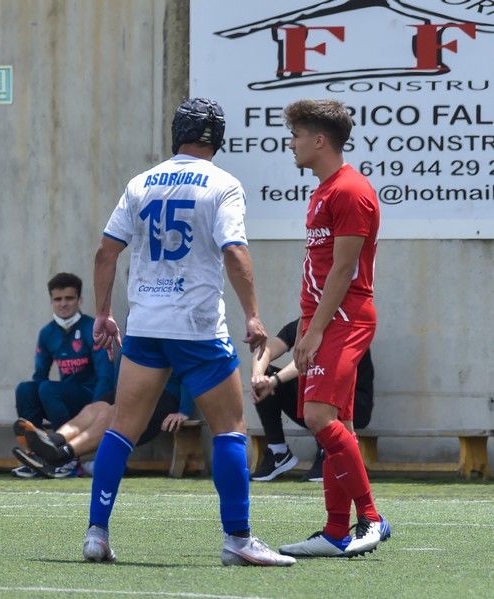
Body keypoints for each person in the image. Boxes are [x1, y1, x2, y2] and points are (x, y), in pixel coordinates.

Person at [80, 97, 295, 567]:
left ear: (176, 133)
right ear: (217, 138)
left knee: (122, 428)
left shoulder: (141, 183)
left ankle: (96, 533)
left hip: (146, 325)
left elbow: (104, 253)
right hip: (197, 326)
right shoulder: (223, 184)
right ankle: (237, 539)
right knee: (230, 430)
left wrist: (102, 313)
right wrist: (253, 315)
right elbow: (235, 251)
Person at [277, 99, 390, 559]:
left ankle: (373, 519)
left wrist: (316, 330)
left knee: (319, 418)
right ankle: (336, 531)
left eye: (298, 135)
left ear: (320, 140)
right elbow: (319, 270)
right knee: (336, 422)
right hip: (326, 318)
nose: (292, 143)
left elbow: (343, 272)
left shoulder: (350, 191)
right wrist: (307, 325)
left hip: (344, 317)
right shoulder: (323, 191)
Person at [11, 273, 114, 477]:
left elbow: (106, 377)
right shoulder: (47, 333)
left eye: (69, 298)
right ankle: (37, 457)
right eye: (58, 299)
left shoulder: (92, 328)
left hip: (90, 399)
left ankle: (66, 459)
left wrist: (95, 411)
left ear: (79, 300)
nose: (63, 304)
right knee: (26, 389)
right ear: (51, 301)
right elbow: (39, 375)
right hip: (61, 398)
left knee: (48, 389)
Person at [250, 317, 374, 482]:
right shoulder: (302, 323)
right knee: (264, 378)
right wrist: (258, 377)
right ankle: (278, 452)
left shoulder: (345, 326)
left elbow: (307, 362)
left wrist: (274, 381)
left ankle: (327, 451)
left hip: (354, 408)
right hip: (314, 406)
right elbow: (266, 350)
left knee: (309, 374)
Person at [12, 374, 191, 478]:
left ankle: (62, 455)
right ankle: (52, 442)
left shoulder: (173, 329)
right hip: (130, 391)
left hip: (163, 397)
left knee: (111, 412)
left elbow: (188, 371)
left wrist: (184, 410)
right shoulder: (138, 330)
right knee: (95, 408)